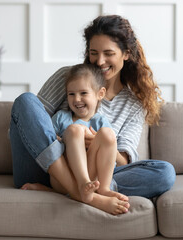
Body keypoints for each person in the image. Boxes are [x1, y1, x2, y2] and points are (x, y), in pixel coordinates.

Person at [9, 15, 176, 215]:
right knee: (25, 101)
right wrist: (69, 139)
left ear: (126, 54)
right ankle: (84, 195)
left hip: (97, 174)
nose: (100, 61)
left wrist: (97, 141)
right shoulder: (68, 77)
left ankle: (72, 191)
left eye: (108, 53)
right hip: (42, 170)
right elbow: (33, 126)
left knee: (164, 173)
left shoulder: (134, 103)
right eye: (94, 53)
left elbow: (123, 160)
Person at [50, 63, 126, 204]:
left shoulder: (100, 122)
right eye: (71, 94)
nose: (77, 99)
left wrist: (96, 141)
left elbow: (110, 157)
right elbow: (46, 144)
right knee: (75, 129)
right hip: (64, 177)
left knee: (107, 134)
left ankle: (103, 188)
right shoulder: (61, 117)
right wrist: (62, 139)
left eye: (83, 93)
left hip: (93, 180)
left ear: (100, 94)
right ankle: (81, 184)